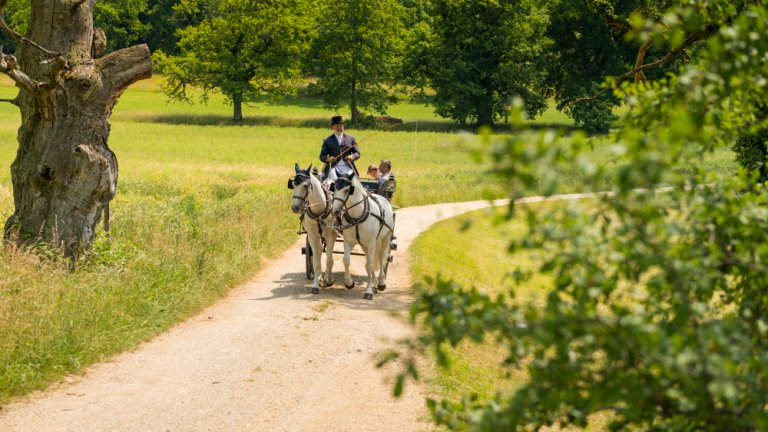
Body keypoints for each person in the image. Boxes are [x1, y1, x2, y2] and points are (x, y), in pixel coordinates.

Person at [320, 115, 360, 180]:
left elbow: (357, 153)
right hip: (333, 167)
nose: (339, 127)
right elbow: (322, 156)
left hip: (347, 166)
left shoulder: (351, 138)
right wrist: (328, 159)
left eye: (341, 126)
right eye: (337, 126)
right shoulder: (327, 140)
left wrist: (352, 156)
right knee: (333, 179)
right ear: (332, 127)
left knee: (353, 179)